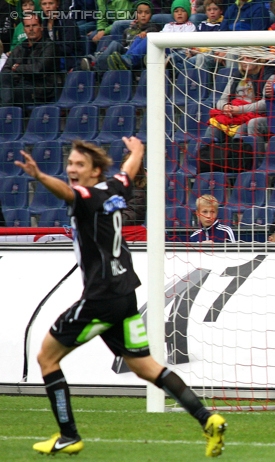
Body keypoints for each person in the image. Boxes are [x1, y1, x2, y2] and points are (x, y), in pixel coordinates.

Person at [15, 137, 227, 457]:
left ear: (95, 170)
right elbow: (129, 169)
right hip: (124, 295)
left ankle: (69, 435)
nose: (72, 169)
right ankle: (207, 418)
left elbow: (68, 192)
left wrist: (40, 176)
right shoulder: (115, 188)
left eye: (79, 165)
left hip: (100, 299)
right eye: (70, 163)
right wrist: (139, 149)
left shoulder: (85, 196)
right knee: (144, 366)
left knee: (46, 357)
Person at [0, 13, 58, 108]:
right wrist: (18, 72)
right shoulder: (19, 48)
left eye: (34, 25)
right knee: (6, 84)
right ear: (24, 29)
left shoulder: (49, 46)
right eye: (27, 26)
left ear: (41, 27)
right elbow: (6, 70)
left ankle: (6, 116)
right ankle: (7, 114)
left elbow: (38, 69)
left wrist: (18, 68)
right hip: (19, 85)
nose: (31, 29)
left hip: (41, 89)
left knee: (9, 93)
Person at [41, 0, 83, 71]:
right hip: (51, 57)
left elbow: (67, 48)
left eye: (51, 3)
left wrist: (48, 49)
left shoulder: (66, 21)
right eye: (44, 4)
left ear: (57, 4)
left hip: (69, 59)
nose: (47, 6)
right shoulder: (44, 23)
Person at [120, 151, 146, 225]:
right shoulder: (119, 188)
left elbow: (128, 218)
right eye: (123, 167)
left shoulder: (138, 194)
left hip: (129, 234)